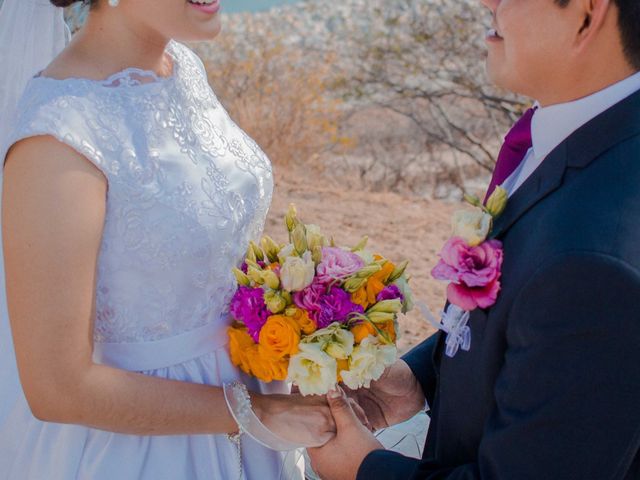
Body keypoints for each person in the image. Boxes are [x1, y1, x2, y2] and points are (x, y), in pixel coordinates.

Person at [0, 0, 337, 478]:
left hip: (257, 406)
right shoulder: (57, 138)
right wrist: (252, 413)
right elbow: (58, 387)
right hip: (144, 451)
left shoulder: (182, 68)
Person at [308, 0, 640, 478]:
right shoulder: (576, 139)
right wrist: (422, 378)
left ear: (587, 15)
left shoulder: (596, 259)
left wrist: (364, 469)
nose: (487, 2)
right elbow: (539, 329)